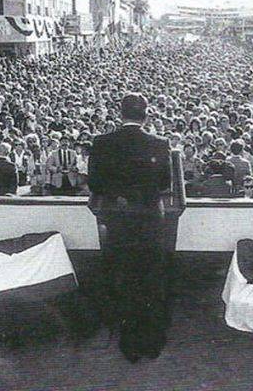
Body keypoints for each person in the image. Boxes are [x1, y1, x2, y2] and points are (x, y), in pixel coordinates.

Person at [87, 93, 172, 363]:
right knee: (151, 280)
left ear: (120, 113)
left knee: (123, 278)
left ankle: (129, 344)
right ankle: (152, 342)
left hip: (118, 222)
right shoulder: (160, 144)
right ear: (145, 115)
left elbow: (95, 185)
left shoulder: (101, 143)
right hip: (149, 221)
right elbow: (165, 184)